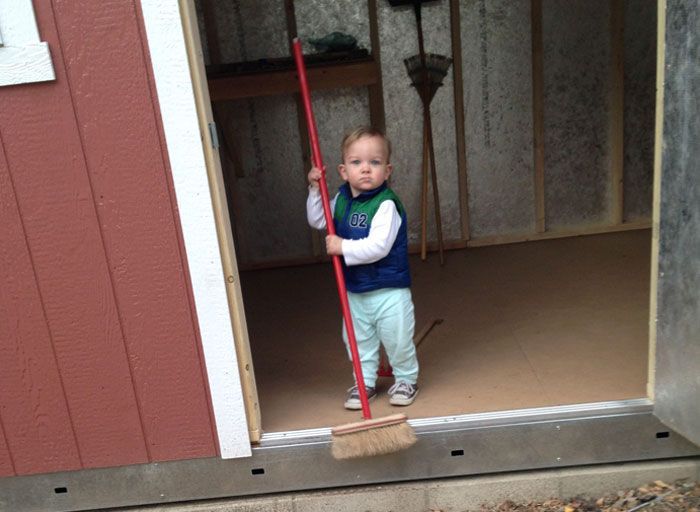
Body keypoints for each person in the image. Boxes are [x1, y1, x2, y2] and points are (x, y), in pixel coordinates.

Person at [306, 126, 419, 410]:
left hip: (389, 291)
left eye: (375, 162)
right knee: (358, 340)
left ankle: (405, 378)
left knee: (398, 339)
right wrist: (314, 189)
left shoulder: (386, 205)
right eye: (357, 163)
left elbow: (378, 246)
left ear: (388, 170)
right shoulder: (341, 200)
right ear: (344, 171)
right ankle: (364, 381)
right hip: (355, 291)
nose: (366, 169)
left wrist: (341, 246)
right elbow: (319, 220)